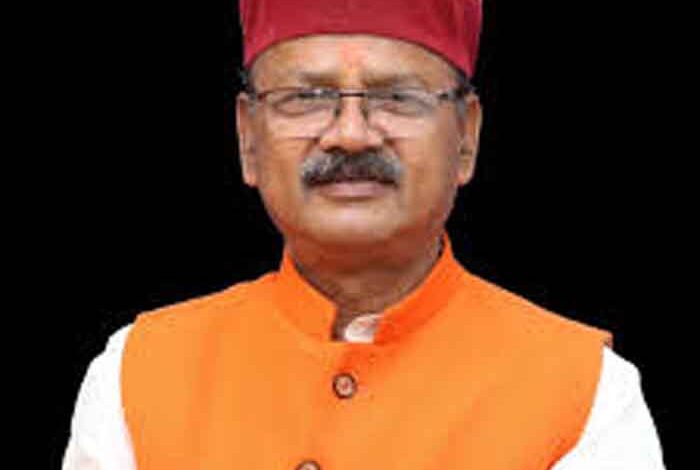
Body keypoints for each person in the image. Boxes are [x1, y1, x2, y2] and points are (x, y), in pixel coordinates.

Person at [63, 0, 667, 469]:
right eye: (306, 97)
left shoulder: (583, 396)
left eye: (397, 97)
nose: (351, 134)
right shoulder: (138, 376)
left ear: (467, 137)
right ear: (247, 138)